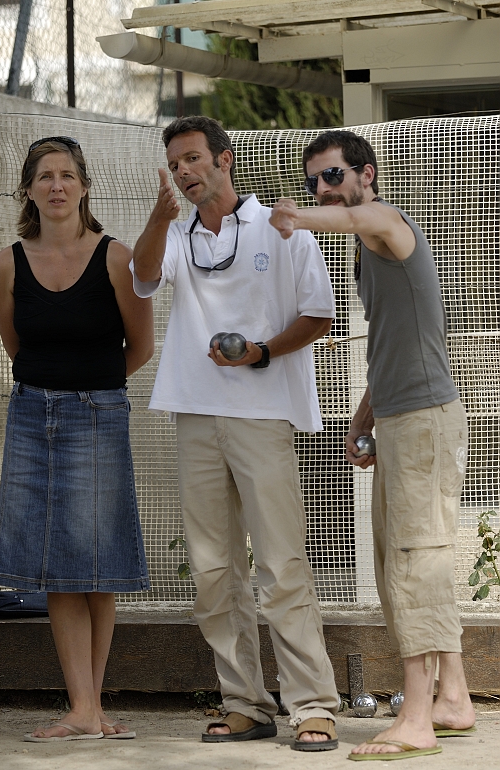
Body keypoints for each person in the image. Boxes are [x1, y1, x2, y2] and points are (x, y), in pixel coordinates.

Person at [131, 116, 340, 750]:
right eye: (176, 164)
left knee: (281, 562)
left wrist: (260, 352)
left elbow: (319, 313)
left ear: (225, 159)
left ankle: (313, 706)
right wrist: (158, 217)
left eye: (193, 159)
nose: (184, 172)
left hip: (262, 413)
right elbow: (143, 277)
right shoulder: (177, 231)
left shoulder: (281, 227)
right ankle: (244, 702)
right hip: (194, 413)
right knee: (213, 569)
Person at [270, 130, 475, 760]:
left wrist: (295, 216)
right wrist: (364, 420)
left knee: (415, 563)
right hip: (404, 419)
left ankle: (415, 719)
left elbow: (357, 217)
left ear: (367, 173)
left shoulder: (385, 222)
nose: (322, 190)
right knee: (408, 560)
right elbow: (394, 349)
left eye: (332, 176)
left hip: (424, 422)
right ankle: (452, 699)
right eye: (312, 183)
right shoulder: (368, 250)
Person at [0, 136, 154, 742]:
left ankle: (92, 708)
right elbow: (18, 348)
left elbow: (141, 347)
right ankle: (83, 709)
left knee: (98, 567)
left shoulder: (116, 258)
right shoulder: (7, 264)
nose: (56, 186)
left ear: (83, 186)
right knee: (58, 568)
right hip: (32, 416)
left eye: (67, 175)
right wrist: (54, 390)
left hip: (98, 415)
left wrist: (89, 391)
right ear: (28, 190)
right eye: (45, 176)